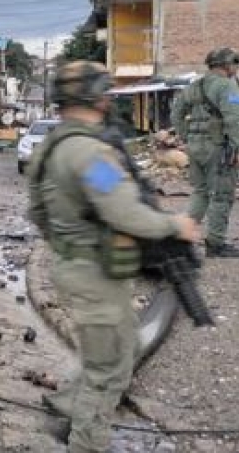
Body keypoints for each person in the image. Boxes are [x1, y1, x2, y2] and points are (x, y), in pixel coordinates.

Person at [28, 61, 201, 452]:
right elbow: (124, 212)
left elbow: (38, 214)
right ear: (94, 97)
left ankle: (64, 409)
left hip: (73, 267)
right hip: (95, 277)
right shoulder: (90, 154)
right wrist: (177, 226)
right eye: (105, 92)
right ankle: (85, 442)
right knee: (109, 373)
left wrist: (72, 240)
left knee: (110, 353)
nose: (109, 100)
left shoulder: (52, 147)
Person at [170, 47, 239, 257]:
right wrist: (236, 148)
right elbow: (234, 119)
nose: (236, 68)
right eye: (235, 64)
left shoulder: (194, 86)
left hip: (195, 147)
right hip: (218, 148)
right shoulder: (227, 86)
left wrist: (184, 137)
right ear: (226, 65)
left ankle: (181, 237)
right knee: (222, 195)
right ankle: (215, 244)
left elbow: (176, 113)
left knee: (200, 192)